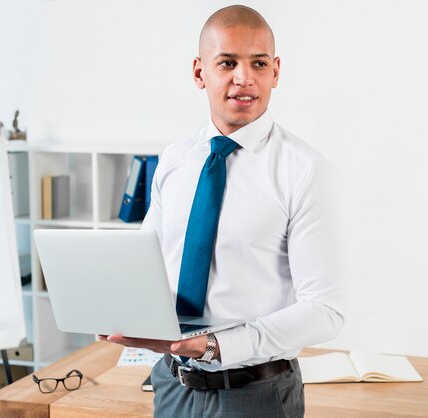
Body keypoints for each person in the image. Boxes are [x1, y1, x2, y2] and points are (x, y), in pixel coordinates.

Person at [101, 5, 343, 417]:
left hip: (257, 393)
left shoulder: (305, 171)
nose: (244, 78)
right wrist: (116, 309)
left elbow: (325, 311)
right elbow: (144, 268)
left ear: (276, 72)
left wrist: (216, 346)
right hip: (173, 384)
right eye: (227, 62)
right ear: (200, 72)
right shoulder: (174, 162)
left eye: (259, 63)